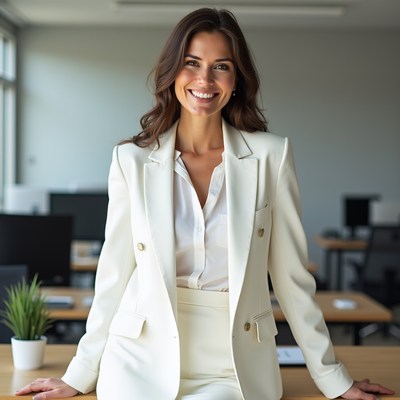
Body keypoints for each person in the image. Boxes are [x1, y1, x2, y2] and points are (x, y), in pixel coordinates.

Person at [17, 8, 394, 400]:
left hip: (233, 359)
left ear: (237, 79)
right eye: (192, 63)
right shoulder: (130, 159)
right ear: (172, 72)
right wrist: (79, 374)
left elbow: (292, 279)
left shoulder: (271, 156)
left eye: (221, 66)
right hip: (139, 355)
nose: (205, 79)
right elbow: (113, 274)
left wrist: (333, 377)